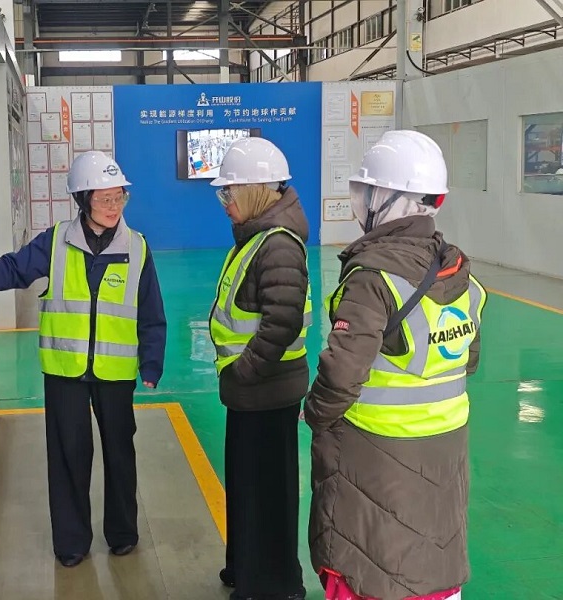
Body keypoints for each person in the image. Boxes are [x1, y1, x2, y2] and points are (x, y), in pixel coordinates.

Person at [0, 151, 167, 568]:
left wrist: (151, 362)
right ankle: (72, 542)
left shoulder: (137, 247)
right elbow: (12, 270)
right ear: (82, 199)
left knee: (120, 453)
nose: (113, 206)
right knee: (68, 455)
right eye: (104, 199)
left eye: (119, 197)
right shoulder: (56, 241)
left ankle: (122, 533)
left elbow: (151, 311)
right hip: (64, 371)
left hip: (115, 373)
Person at [304, 130, 487, 600]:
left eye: (367, 191)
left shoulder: (373, 277)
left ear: (387, 198)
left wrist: (314, 414)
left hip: (373, 458)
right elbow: (466, 360)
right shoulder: (459, 275)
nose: (360, 202)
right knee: (431, 564)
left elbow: (341, 375)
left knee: (373, 569)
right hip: (445, 453)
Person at [208, 137, 311, 600]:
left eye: (228, 193)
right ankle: (246, 569)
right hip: (251, 393)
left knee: (268, 494)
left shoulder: (278, 246)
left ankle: (273, 585)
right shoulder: (257, 238)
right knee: (248, 489)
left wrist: (244, 372)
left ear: (253, 191)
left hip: (267, 392)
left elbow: (282, 322)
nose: (225, 203)